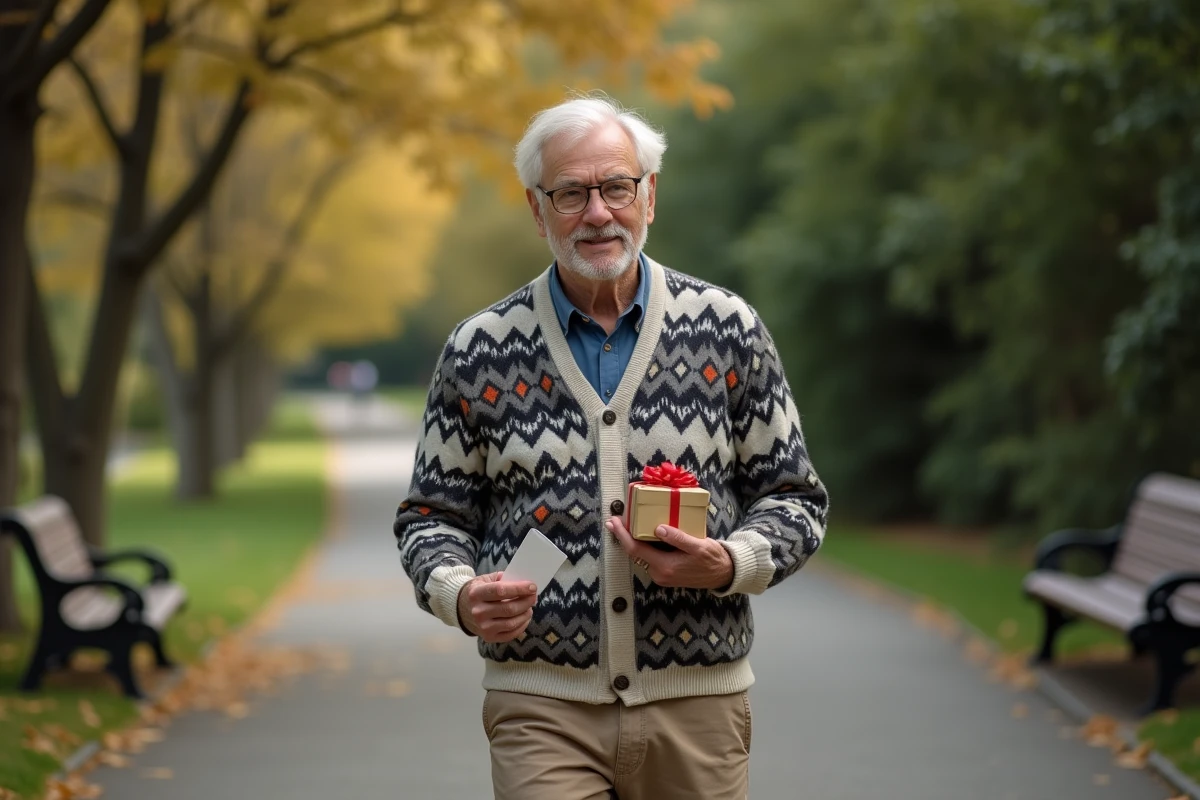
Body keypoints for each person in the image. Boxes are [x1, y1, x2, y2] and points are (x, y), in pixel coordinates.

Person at [393, 94, 829, 799]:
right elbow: (430, 518)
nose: (597, 213)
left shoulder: (728, 329)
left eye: (616, 187)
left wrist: (729, 563)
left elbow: (795, 500)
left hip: (698, 706)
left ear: (649, 195)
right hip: (540, 705)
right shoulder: (478, 350)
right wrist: (460, 594)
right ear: (538, 210)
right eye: (571, 193)